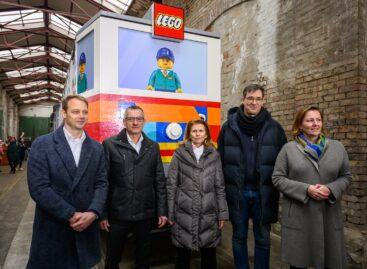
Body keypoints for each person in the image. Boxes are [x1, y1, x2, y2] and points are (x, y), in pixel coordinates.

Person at [27, 94, 108, 269]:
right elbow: (39, 188)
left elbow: (102, 183)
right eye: (76, 111)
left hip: (86, 227)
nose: (81, 116)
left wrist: (93, 212)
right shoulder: (43, 144)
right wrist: (71, 214)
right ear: (64, 113)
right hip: (54, 227)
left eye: (85, 112)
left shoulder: (96, 148)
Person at [272, 106, 352, 269]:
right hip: (300, 215)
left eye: (318, 120)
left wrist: (331, 189)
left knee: (331, 261)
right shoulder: (288, 150)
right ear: (300, 125)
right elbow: (277, 178)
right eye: (309, 120)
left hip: (328, 215)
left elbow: (346, 176)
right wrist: (306, 189)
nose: (315, 124)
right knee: (299, 263)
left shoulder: (337, 148)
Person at [218, 84, 287, 269]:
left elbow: (283, 160)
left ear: (263, 101)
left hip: (264, 192)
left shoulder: (275, 128)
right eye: (250, 98)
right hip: (237, 192)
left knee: (263, 238)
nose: (254, 102)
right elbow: (221, 160)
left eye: (258, 99)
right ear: (243, 100)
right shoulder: (228, 127)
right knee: (239, 237)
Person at [101, 105, 167, 269]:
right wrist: (102, 214)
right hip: (118, 213)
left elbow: (159, 181)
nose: (135, 122)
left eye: (139, 119)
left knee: (143, 258)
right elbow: (103, 181)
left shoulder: (153, 146)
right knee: (112, 258)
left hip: (145, 213)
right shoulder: (110, 145)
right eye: (131, 119)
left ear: (144, 121)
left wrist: (162, 211)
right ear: (124, 121)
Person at [167, 119, 229, 269]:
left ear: (206, 133)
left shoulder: (214, 155)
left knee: (209, 256)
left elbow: (219, 186)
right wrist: (170, 212)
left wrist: (222, 214)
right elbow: (171, 185)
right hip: (184, 212)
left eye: (201, 130)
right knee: (182, 256)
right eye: (194, 131)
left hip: (208, 213)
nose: (198, 134)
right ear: (189, 134)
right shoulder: (179, 154)